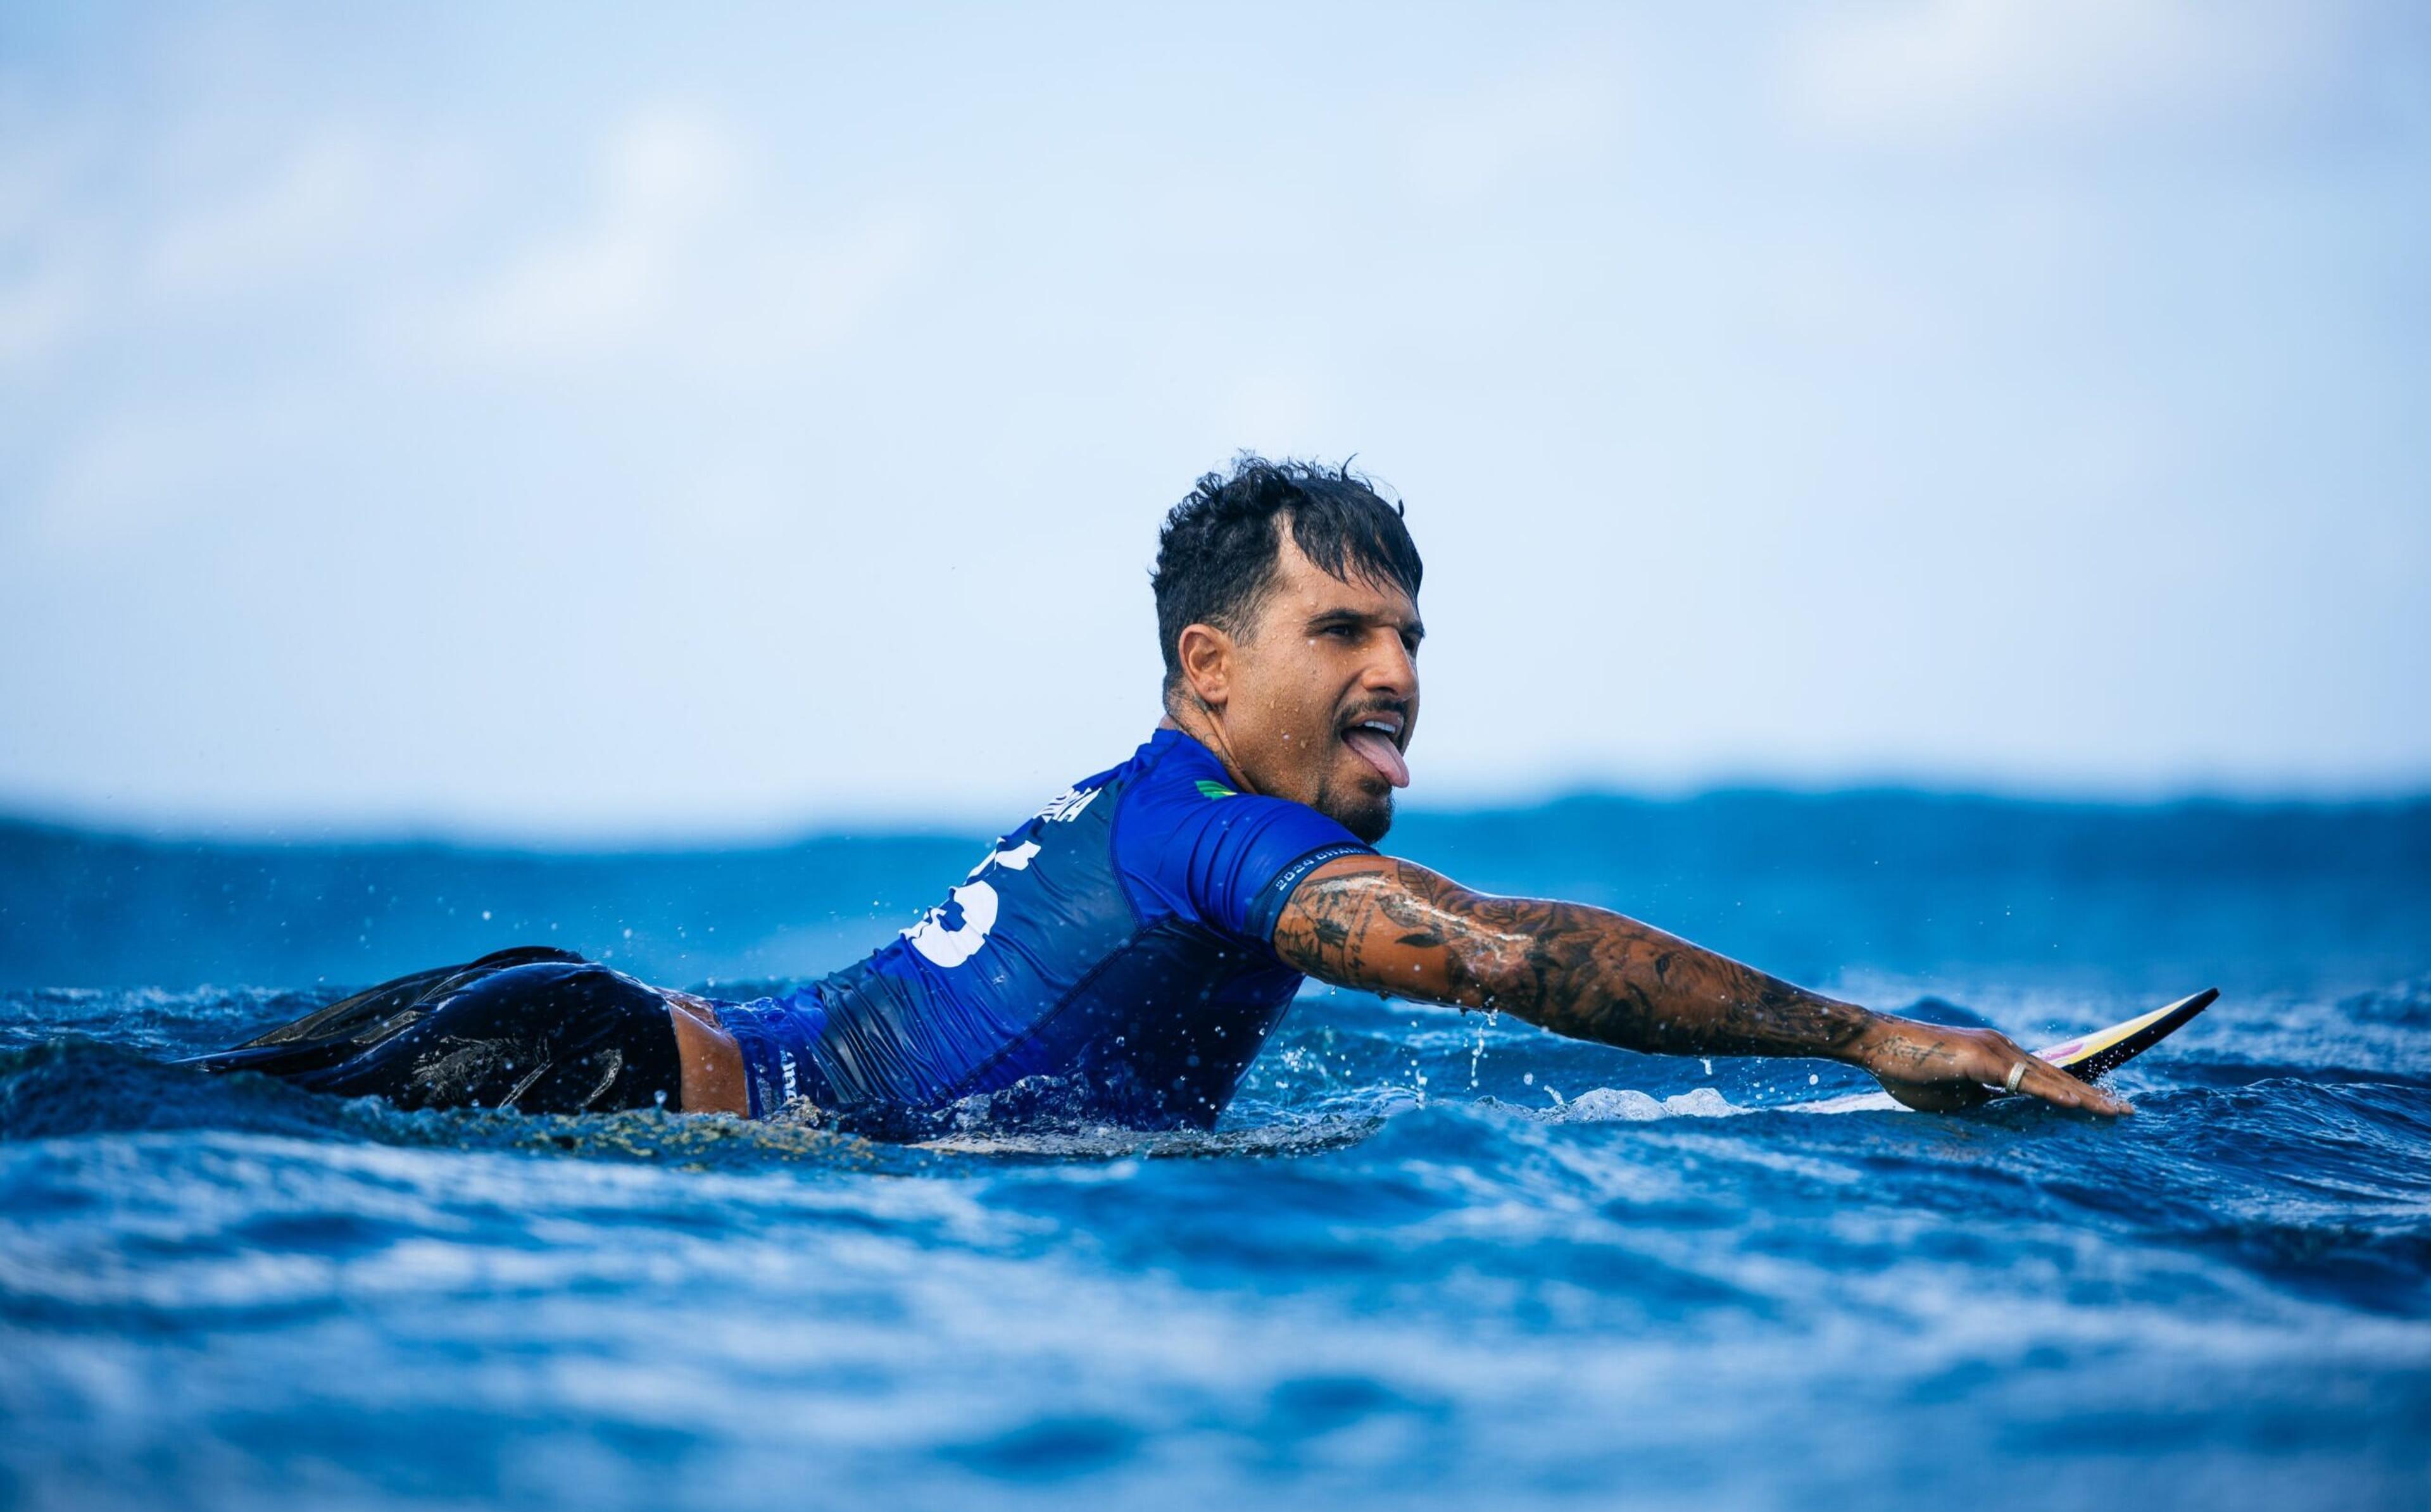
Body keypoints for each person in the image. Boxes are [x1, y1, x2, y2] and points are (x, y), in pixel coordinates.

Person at [194, 457, 2129, 1130]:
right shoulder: (1213, 836)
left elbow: (1506, 933)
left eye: (1415, 634)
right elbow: (1500, 964)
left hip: (586, 1026)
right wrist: (1870, 1034)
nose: (1398, 673)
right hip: (609, 1077)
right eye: (1343, 630)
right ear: (1211, 669)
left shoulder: (1179, 815)